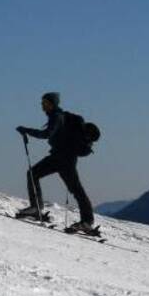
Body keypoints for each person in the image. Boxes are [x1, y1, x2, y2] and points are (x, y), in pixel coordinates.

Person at [16, 92, 95, 232]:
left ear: (51, 104)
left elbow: (46, 134)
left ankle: (87, 221)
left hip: (63, 159)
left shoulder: (57, 117)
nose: (42, 105)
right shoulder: (57, 116)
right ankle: (36, 208)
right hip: (61, 157)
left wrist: (26, 130)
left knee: (76, 189)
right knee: (34, 174)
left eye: (44, 102)